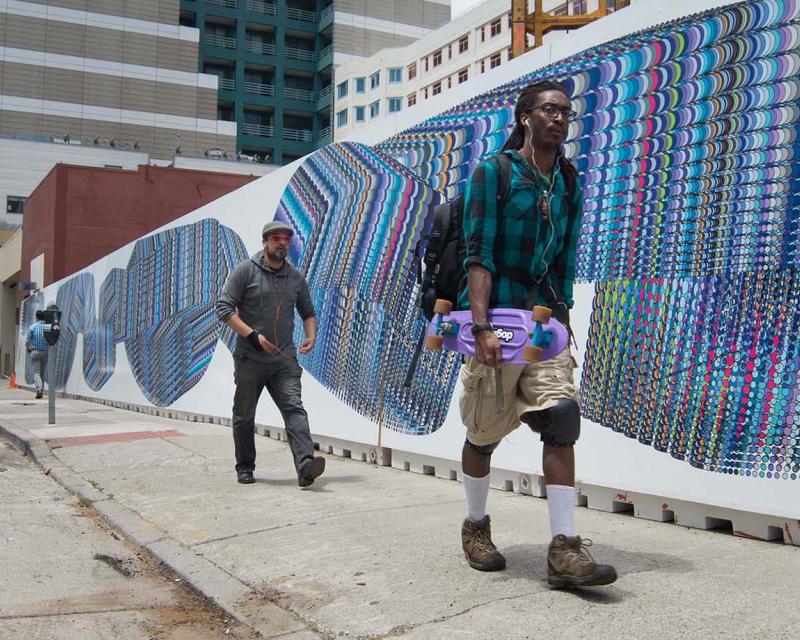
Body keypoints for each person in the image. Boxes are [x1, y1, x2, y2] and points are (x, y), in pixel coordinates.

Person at [458, 80, 617, 587]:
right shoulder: (493, 172)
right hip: (499, 320)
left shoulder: (568, 181)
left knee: (562, 417)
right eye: (550, 110)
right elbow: (477, 253)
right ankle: (476, 526)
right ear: (525, 116)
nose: (560, 118)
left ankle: (564, 550)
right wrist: (480, 325)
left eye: (566, 113)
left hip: (544, 320)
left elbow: (566, 256)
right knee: (482, 437)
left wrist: (565, 317)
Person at [216, 220, 325, 487]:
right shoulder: (245, 271)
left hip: (283, 360)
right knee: (244, 415)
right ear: (265, 242)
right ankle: (244, 466)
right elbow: (224, 309)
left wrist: (311, 335)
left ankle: (305, 466)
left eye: (287, 239)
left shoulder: (296, 278)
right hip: (249, 359)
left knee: (294, 409)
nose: (282, 243)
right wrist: (252, 335)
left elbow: (308, 312)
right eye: (276, 238)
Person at [25, 310, 48, 400]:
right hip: (45, 352)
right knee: (41, 373)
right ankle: (41, 391)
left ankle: (39, 390)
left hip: (35, 352)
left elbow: (27, 341)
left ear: (36, 317)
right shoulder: (47, 327)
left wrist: (28, 349)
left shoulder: (32, 327)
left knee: (36, 372)